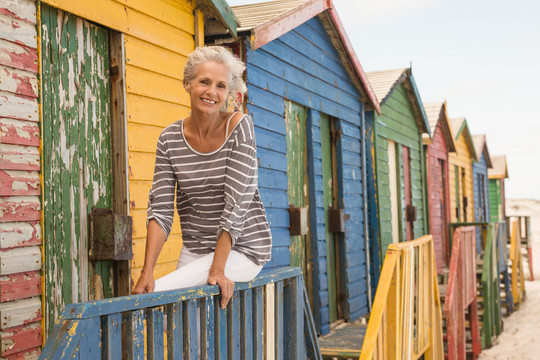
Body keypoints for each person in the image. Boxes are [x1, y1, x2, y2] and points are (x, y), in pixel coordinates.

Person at [132, 46, 272, 309]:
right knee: (176, 322)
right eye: (204, 82)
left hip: (242, 249)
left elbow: (237, 205)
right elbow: (160, 210)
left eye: (221, 86)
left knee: (156, 297)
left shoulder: (240, 126)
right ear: (187, 84)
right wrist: (146, 271)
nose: (212, 92)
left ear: (228, 93)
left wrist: (218, 270)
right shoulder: (169, 138)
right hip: (195, 248)